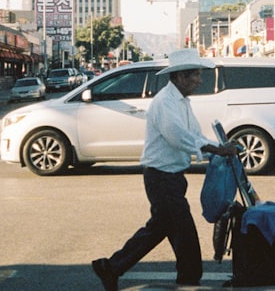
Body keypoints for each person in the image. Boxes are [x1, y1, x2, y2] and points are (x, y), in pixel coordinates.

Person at [92, 48, 239, 290]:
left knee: (159, 228)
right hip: (161, 177)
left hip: (173, 177)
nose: (199, 81)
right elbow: (178, 137)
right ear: (180, 77)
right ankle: (189, 279)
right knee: (185, 234)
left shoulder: (181, 102)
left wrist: (219, 146)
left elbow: (194, 134)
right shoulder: (165, 103)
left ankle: (111, 267)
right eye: (196, 76)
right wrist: (216, 150)